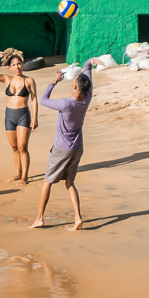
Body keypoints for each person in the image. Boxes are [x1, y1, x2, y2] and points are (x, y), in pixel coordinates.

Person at [30, 60, 93, 231]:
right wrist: (89, 63)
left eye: (74, 81)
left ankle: (39, 218)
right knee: (70, 182)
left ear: (74, 87)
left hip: (62, 149)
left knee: (47, 181)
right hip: (77, 147)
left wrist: (53, 82)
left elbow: (43, 100)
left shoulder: (66, 104)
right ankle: (78, 217)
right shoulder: (86, 99)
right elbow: (88, 75)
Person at [0, 48, 38, 185]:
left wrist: (35, 118)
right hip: (9, 115)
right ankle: (17, 173)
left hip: (23, 116)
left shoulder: (29, 81)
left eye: (19, 63)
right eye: (14, 65)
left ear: (23, 64)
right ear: (10, 68)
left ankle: (24, 177)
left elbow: (34, 99)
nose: (17, 67)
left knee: (22, 147)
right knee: (14, 147)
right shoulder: (6, 79)